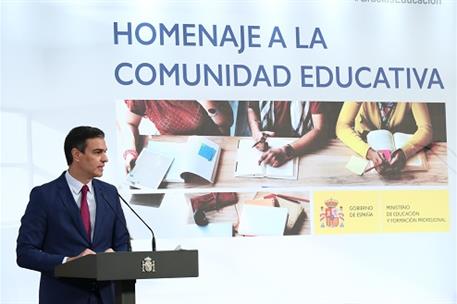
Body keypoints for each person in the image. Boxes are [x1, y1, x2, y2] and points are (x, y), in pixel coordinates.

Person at [16, 126, 130, 304]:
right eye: (98, 152)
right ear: (76, 155)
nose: (105, 159)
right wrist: (68, 261)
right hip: (64, 297)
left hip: (107, 297)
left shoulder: (110, 193)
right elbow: (25, 253)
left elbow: (123, 243)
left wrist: (115, 256)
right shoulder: (44, 196)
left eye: (105, 152)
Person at [122, 100, 233, 172]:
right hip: (175, 152)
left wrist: (206, 100)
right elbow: (130, 123)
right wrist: (130, 152)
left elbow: (226, 122)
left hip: (210, 145)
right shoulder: (142, 94)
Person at [336, 101, 433, 175]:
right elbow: (342, 126)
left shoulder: (411, 84)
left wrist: (404, 152)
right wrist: (368, 152)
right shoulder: (361, 82)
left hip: (394, 151)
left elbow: (426, 129)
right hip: (361, 145)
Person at [247, 100, 325, 167]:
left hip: (302, 144)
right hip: (269, 143)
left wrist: (285, 152)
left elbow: (319, 129)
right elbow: (252, 108)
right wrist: (256, 132)